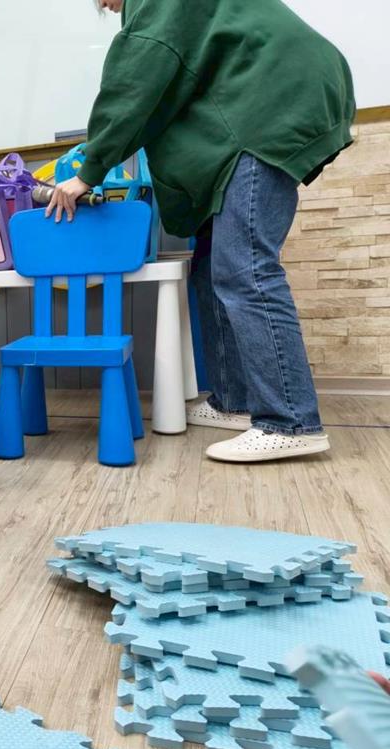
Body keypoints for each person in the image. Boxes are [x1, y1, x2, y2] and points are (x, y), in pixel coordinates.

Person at [47, 0, 355, 463]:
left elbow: (134, 85)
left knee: (245, 269)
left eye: (105, 1)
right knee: (211, 267)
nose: (107, 7)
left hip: (266, 104)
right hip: (266, 96)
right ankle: (234, 401)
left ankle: (290, 421)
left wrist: (88, 172)